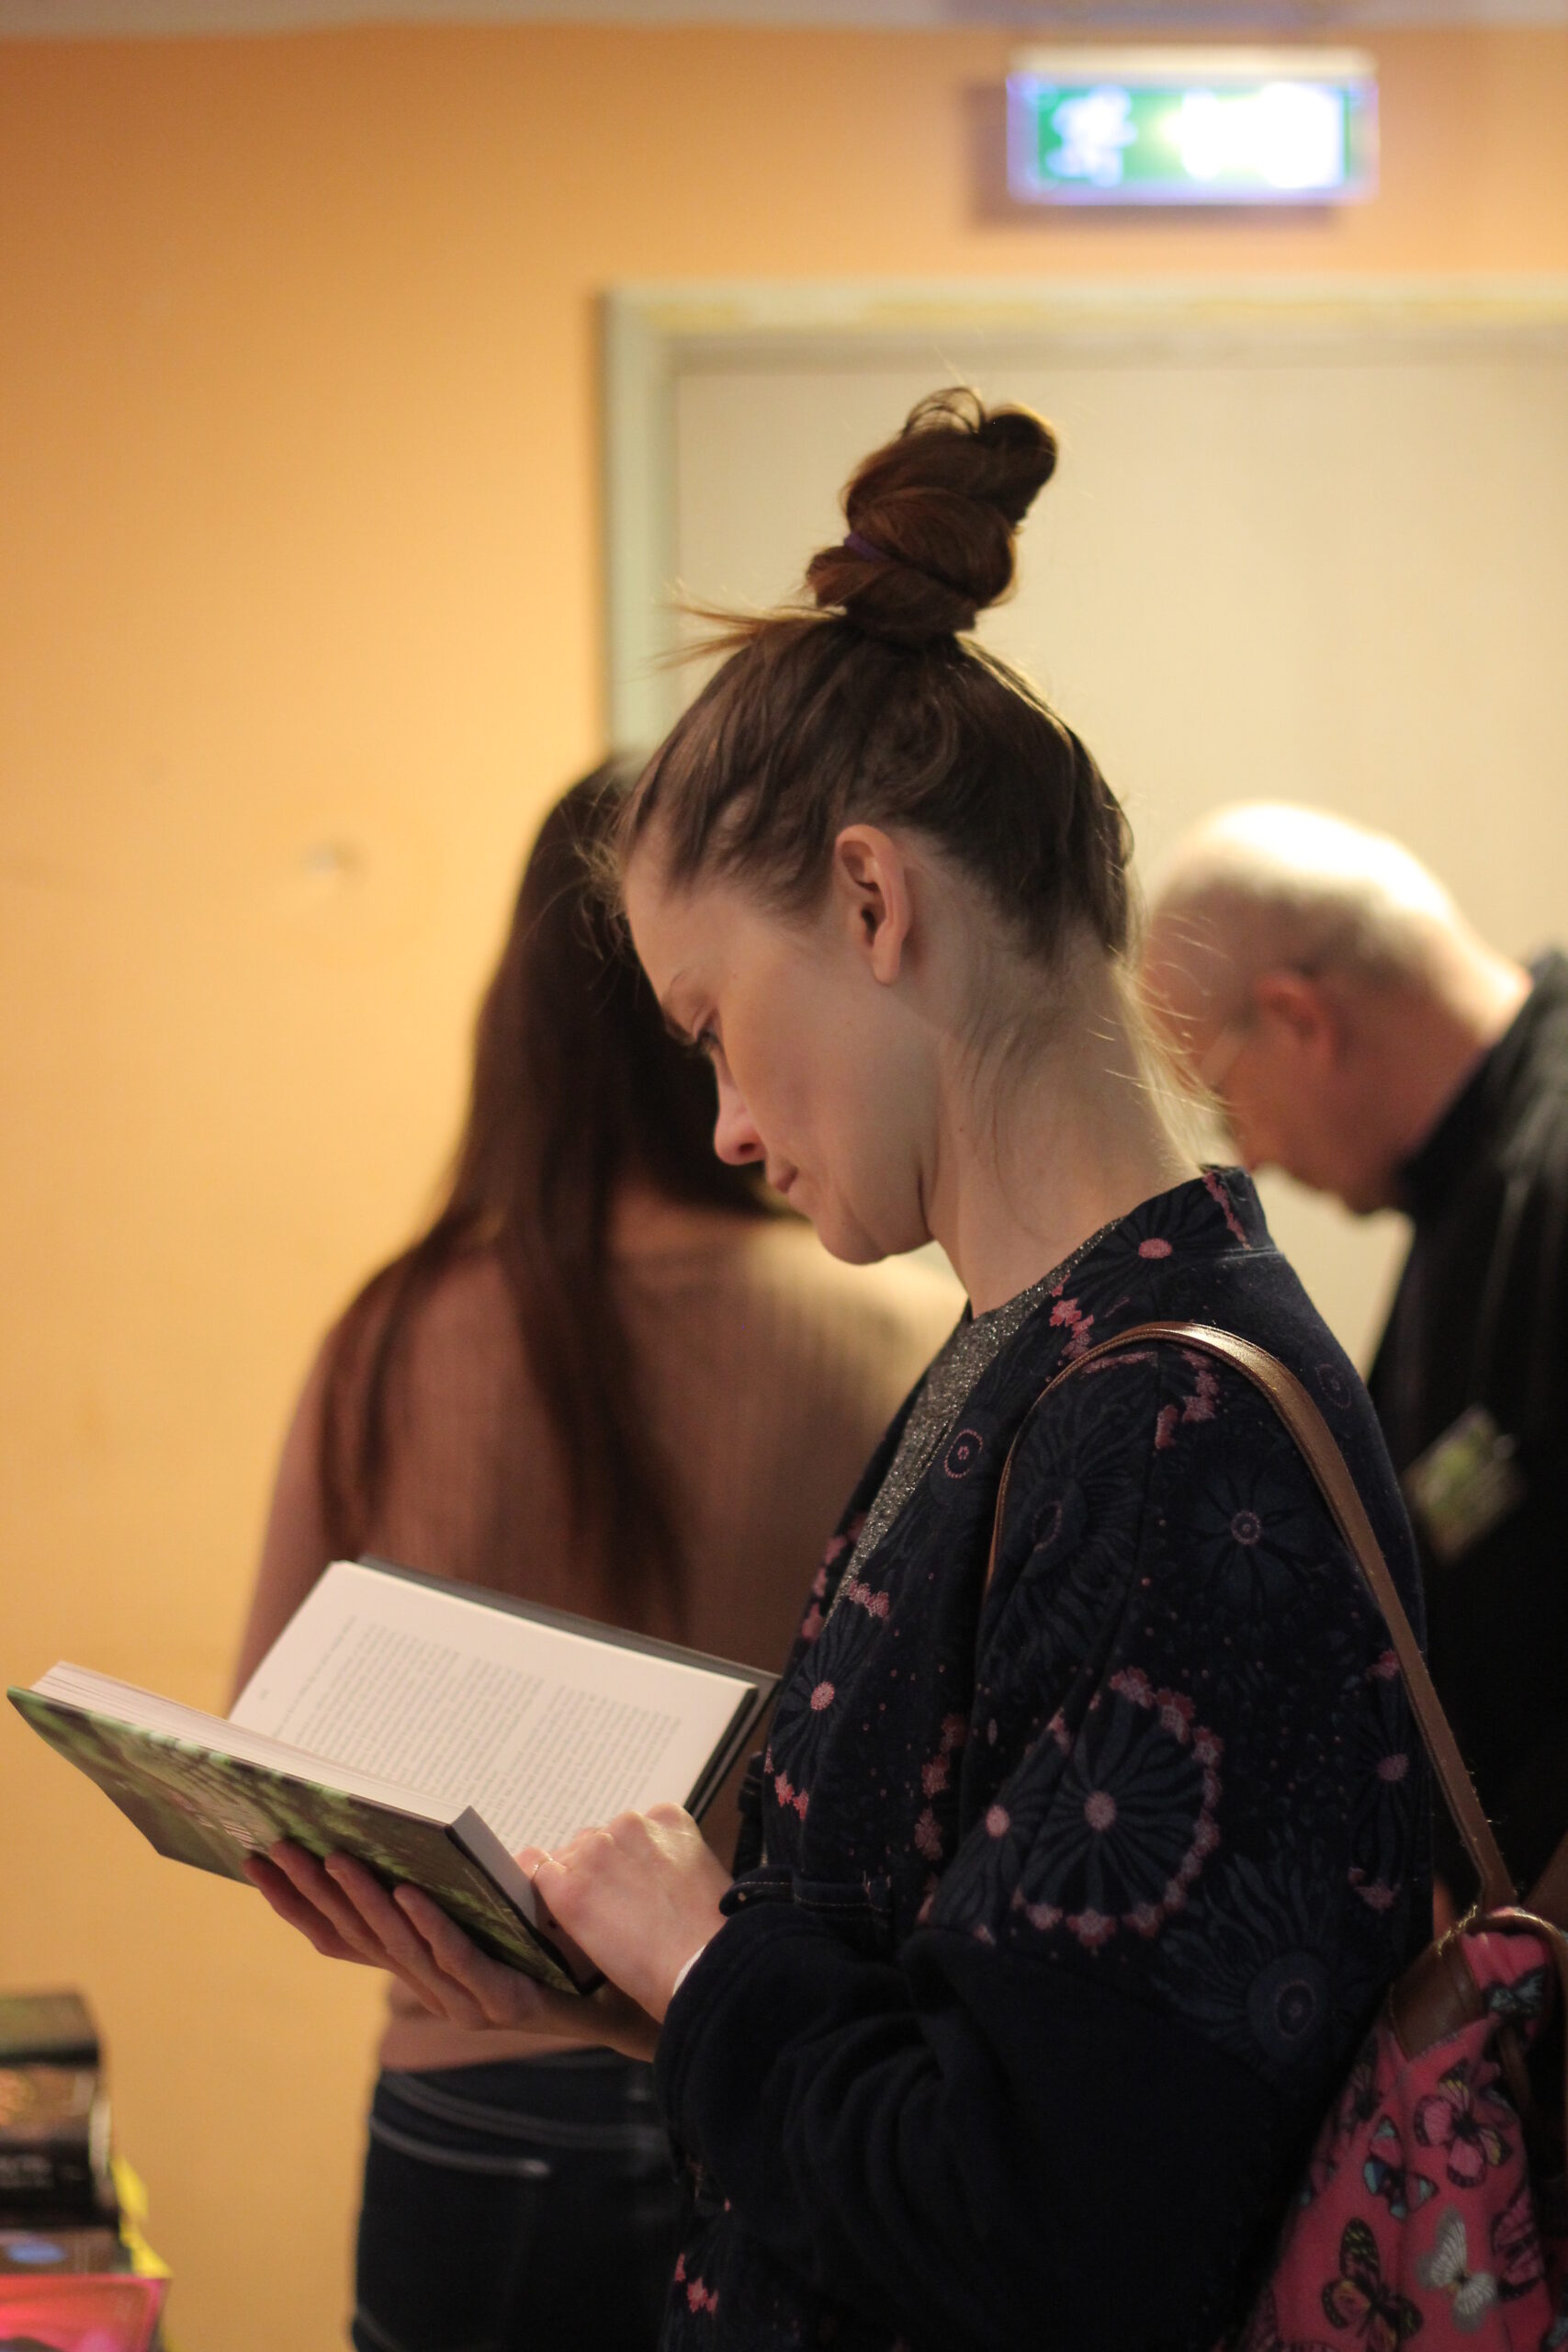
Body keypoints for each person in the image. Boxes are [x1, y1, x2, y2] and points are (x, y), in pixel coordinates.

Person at [248, 396, 1430, 2352]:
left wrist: (695, 1958)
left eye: (715, 1022)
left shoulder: (1167, 1420)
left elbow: (1046, 2226)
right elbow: (926, 2010)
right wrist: (620, 1989)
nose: (721, 1122)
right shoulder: (1032, 1353)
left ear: (873, 903)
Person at [234, 766, 958, 2352]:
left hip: (472, 2105)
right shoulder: (911, 1337)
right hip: (788, 2087)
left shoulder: (393, 1333)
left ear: (520, 1030)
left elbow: (262, 1745)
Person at [1141, 801, 1566, 1911]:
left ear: (1299, 1018)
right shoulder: (1474, 1180)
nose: (1253, 1153)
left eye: (1224, 1103)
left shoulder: (1551, 1171)